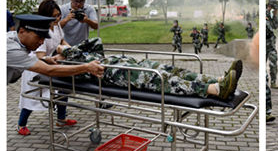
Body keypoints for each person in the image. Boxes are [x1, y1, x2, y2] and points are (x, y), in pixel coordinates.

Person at [61, 37, 242, 100]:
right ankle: (215, 90)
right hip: (113, 73)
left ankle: (217, 80)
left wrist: (65, 47)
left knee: (172, 70)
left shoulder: (72, 52)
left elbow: (96, 42)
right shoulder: (65, 65)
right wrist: (61, 53)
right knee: (162, 80)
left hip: (125, 63)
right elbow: (73, 65)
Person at [17, 0, 75, 135]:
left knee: (63, 89)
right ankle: (21, 124)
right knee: (32, 96)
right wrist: (56, 58)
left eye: (59, 15)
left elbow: (61, 41)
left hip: (50, 63)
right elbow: (40, 56)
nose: (58, 18)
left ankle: (61, 119)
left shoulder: (56, 26)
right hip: (36, 66)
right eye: (54, 16)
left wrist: (71, 49)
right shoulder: (40, 31)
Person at [7, 14, 104, 86]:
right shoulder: (12, 49)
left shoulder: (15, 40)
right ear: (22, 31)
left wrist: (45, 59)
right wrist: (86, 67)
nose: (41, 42)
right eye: (38, 37)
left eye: (44, 39)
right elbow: (49, 70)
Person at [266, 0, 278, 88]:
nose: (276, 10)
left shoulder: (272, 16)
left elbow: (276, 26)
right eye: (274, 8)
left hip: (271, 44)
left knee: (273, 62)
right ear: (269, 6)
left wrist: (274, 16)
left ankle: (273, 81)